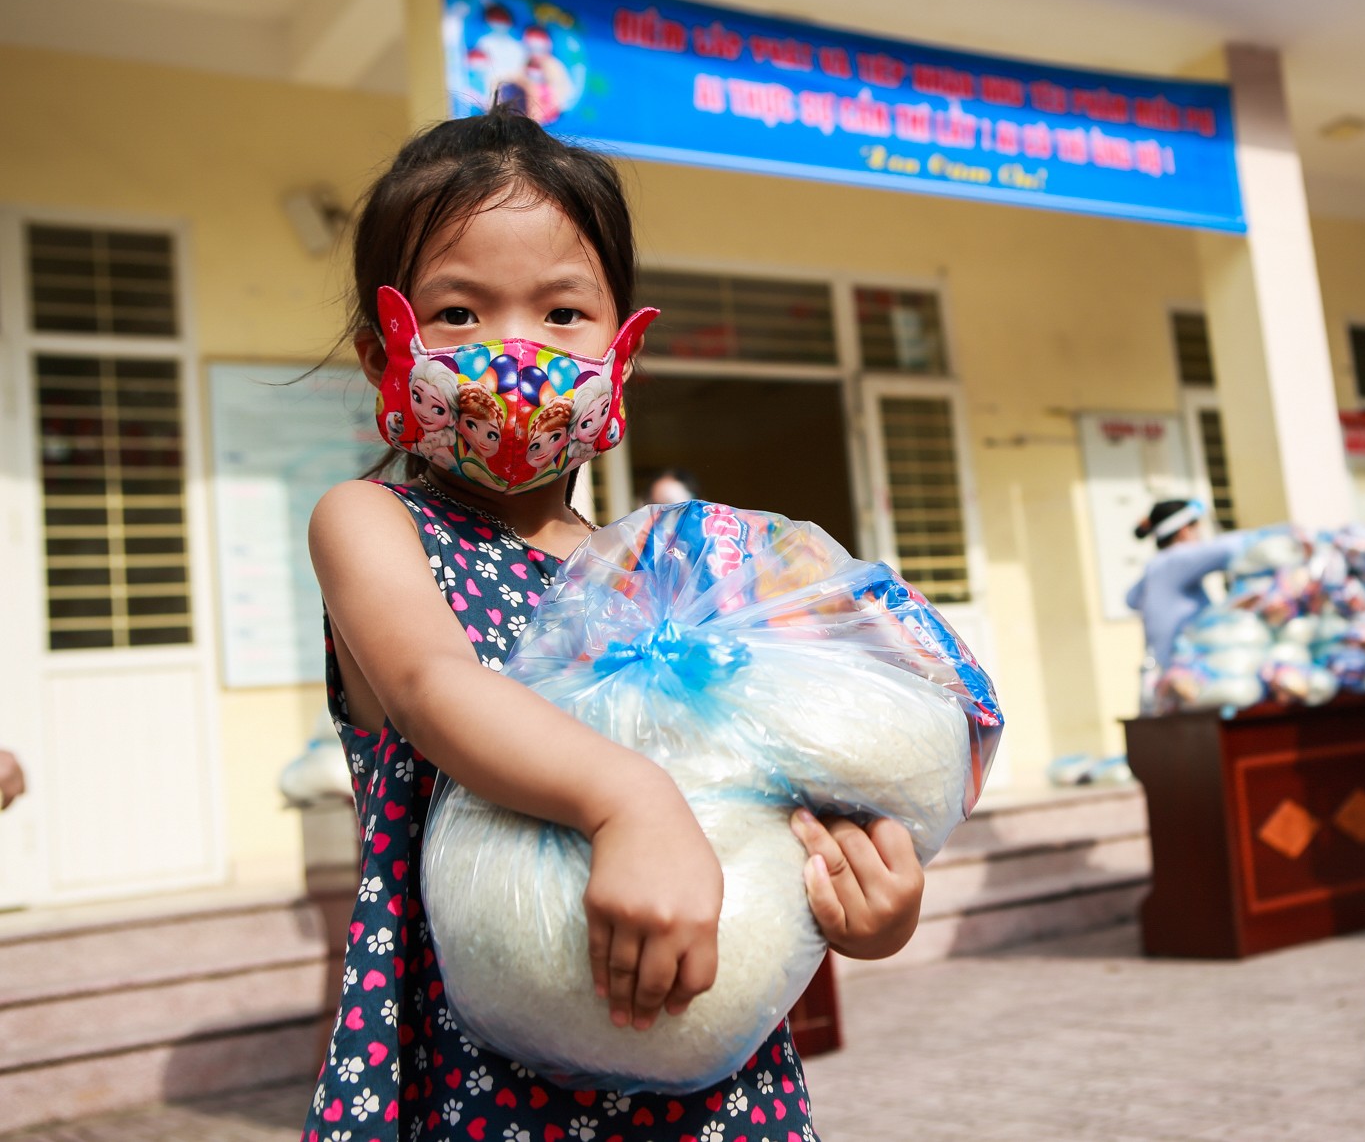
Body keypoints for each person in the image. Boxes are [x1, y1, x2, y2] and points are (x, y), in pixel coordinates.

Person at [304, 107, 922, 1140]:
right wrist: (627, 801)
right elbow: (432, 686)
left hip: (710, 1081)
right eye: (458, 313)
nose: (514, 351)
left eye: (561, 314)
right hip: (488, 1083)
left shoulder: (653, 573)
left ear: (621, 355)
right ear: (385, 353)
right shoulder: (372, 525)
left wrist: (857, 902)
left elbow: (746, 790)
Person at [1125, 498, 1246, 711]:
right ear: (1183, 531)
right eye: (1196, 528)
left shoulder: (1155, 567)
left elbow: (1130, 599)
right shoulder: (1176, 559)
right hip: (1186, 681)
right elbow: (1227, 549)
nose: (1200, 537)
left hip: (1161, 681)